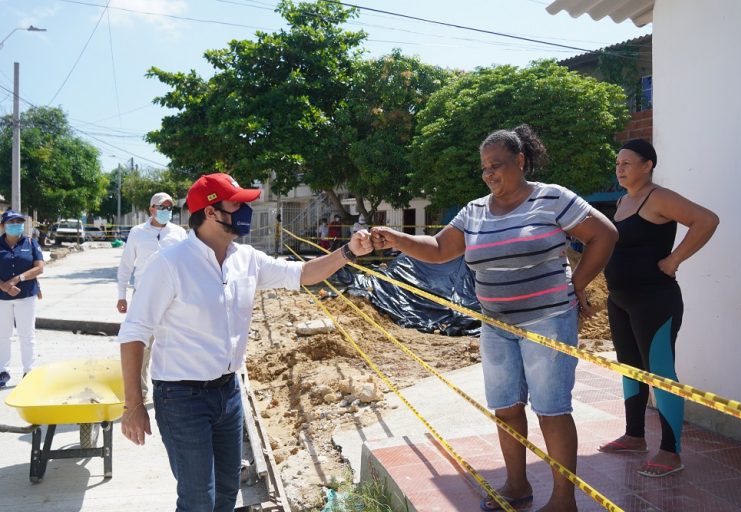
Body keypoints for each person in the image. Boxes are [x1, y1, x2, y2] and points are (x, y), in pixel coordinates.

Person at [372, 125, 617, 512]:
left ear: (520, 162)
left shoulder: (551, 198)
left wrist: (576, 286)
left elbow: (604, 234)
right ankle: (517, 486)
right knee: (505, 406)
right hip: (496, 325)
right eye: (484, 167)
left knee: (552, 409)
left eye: (497, 165)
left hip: (548, 319)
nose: (489, 173)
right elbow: (438, 249)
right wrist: (397, 238)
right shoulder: (474, 211)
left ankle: (563, 499)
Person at [118, 173, 372, 512]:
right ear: (210, 212)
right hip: (181, 398)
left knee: (225, 495)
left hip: (228, 393)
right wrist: (133, 406)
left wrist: (347, 251)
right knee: (198, 500)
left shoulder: (246, 259)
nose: (245, 210)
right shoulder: (168, 265)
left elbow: (302, 274)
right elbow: (133, 334)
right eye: (237, 203)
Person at [598, 139, 719, 478]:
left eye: (627, 163)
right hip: (620, 299)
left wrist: (674, 259)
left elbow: (707, 220)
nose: (619, 168)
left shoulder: (659, 197)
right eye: (618, 163)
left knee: (661, 372)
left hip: (654, 299)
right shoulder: (622, 201)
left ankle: (671, 450)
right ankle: (635, 435)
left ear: (647, 165)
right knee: (630, 368)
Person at [117, 192, 187, 398]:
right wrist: (121, 295)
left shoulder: (179, 233)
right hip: (144, 296)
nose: (166, 211)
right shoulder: (137, 233)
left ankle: (172, 390)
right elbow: (126, 265)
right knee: (141, 346)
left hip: (173, 298)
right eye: (162, 207)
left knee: (171, 345)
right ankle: (140, 392)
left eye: (169, 207)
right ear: (152, 209)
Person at [0, 210, 44, 387]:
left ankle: (29, 371)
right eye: (11, 222)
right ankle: (2, 371)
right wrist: (3, 285)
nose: (16, 225)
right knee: (3, 335)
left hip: (26, 296)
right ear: (3, 226)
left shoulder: (31, 242)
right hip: (2, 298)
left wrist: (17, 279)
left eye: (19, 222)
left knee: (27, 335)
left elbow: (39, 268)